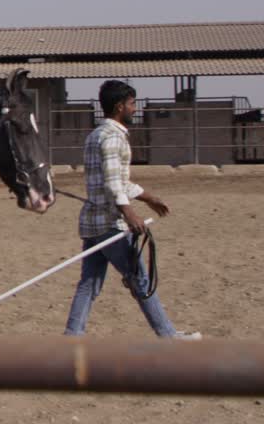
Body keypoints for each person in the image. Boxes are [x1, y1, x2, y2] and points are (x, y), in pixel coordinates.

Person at [63, 80, 201, 340]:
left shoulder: (95, 135)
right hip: (110, 224)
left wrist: (149, 198)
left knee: (90, 282)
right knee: (139, 280)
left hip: (92, 223)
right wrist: (129, 213)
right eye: (132, 103)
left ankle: (73, 336)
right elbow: (115, 183)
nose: (135, 108)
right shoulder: (114, 137)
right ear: (119, 107)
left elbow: (118, 181)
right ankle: (168, 335)